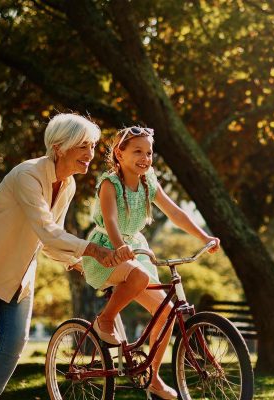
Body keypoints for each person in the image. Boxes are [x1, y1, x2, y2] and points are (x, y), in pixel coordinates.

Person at [0, 114, 125, 400]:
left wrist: (78, 264)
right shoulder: (27, 175)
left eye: (92, 146)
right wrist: (92, 249)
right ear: (59, 147)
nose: (90, 154)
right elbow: (48, 231)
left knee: (13, 345)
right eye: (83, 146)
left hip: (19, 272)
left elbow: (51, 240)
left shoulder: (67, 185)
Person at [82, 126, 220, 400]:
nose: (145, 158)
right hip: (106, 249)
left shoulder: (148, 182)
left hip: (134, 247)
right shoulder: (110, 183)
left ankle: (152, 377)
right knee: (139, 277)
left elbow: (175, 212)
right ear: (119, 154)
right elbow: (110, 219)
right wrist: (120, 246)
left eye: (149, 152)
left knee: (168, 313)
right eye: (137, 152)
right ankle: (105, 320)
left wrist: (204, 236)